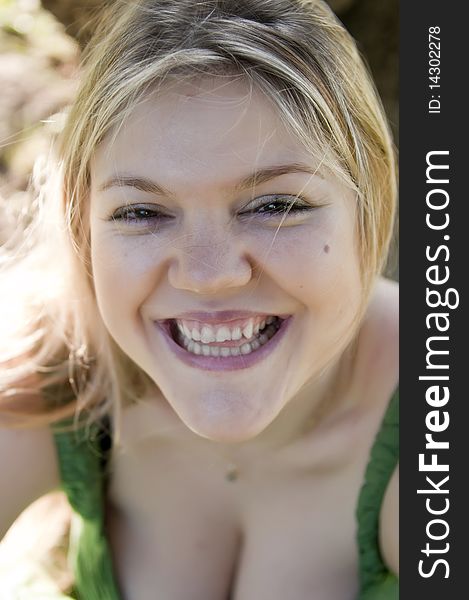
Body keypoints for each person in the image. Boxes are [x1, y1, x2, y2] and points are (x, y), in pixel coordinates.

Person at [0, 0, 398, 598]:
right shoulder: (54, 366)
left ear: (369, 205)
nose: (208, 276)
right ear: (84, 226)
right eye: (142, 211)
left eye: (275, 206)